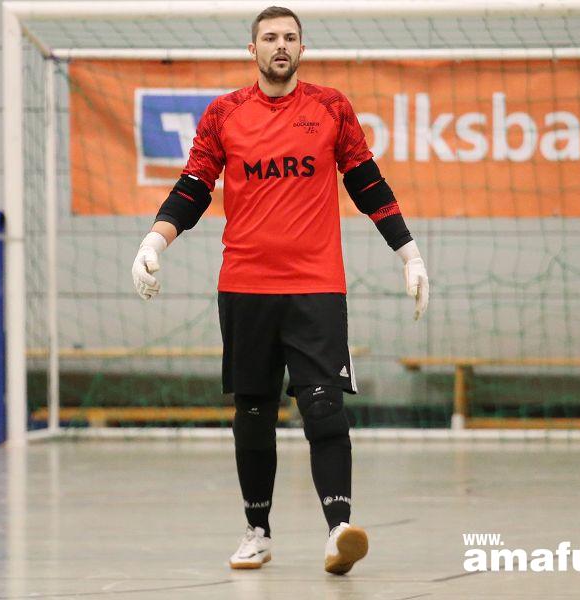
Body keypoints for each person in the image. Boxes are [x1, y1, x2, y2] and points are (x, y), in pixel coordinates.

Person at [130, 6, 429, 575]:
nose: (281, 45)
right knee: (252, 411)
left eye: (290, 37)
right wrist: (155, 239)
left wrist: (408, 252)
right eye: (270, 37)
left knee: (324, 405)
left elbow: (367, 181)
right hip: (245, 286)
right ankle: (257, 532)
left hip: (316, 287)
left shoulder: (331, 107)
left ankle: (339, 530)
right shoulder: (224, 113)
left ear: (302, 48)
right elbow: (195, 184)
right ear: (253, 50)